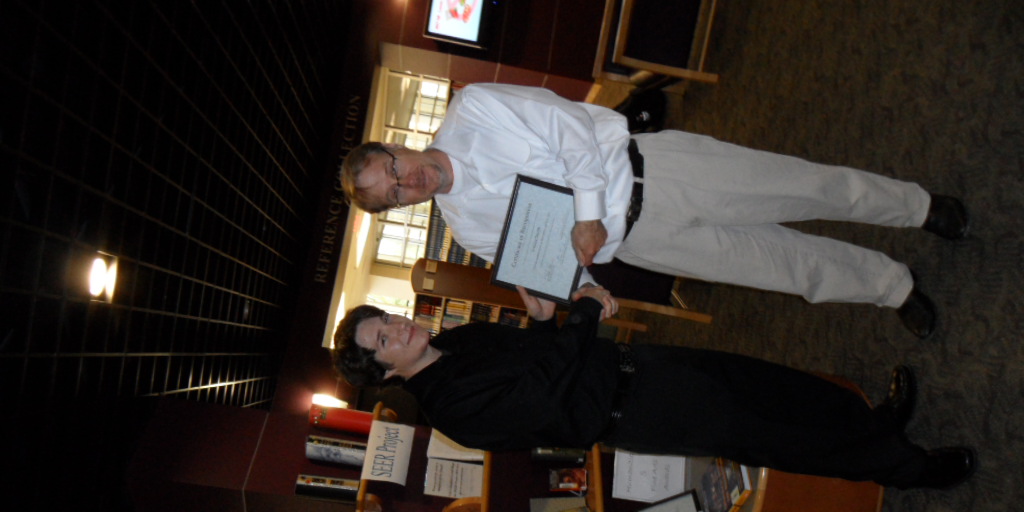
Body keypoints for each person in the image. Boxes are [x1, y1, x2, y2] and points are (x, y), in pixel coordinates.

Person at [341, 83, 971, 339]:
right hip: (645, 244)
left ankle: (918, 208)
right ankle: (892, 287)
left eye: (392, 170)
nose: (407, 182)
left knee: (809, 189)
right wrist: (570, 290)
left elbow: (567, 127)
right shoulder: (465, 224)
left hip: (659, 172)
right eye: (393, 195)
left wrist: (587, 212)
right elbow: (549, 257)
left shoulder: (474, 110)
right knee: (782, 267)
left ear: (395, 146)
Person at [331, 286, 976, 489]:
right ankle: (907, 469)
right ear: (384, 374)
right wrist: (580, 316)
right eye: (384, 338)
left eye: (387, 318)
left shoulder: (458, 339)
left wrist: (546, 318)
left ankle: (875, 421)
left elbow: (537, 355)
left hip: (642, 366)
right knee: (777, 435)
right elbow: (545, 394)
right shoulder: (451, 409)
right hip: (641, 411)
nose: (399, 326)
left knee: (772, 385)